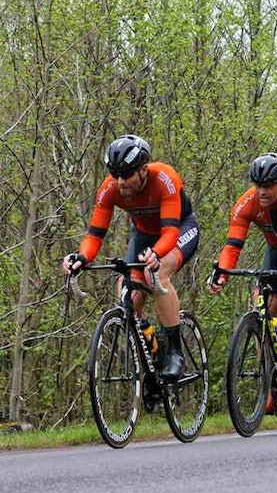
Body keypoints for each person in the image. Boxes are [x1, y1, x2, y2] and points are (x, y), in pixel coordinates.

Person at [62, 135, 200, 380]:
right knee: (127, 292)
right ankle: (149, 353)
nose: (120, 181)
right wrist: (81, 257)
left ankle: (176, 352)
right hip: (144, 235)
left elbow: (169, 233)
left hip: (179, 230)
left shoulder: (164, 179)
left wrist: (156, 254)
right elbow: (95, 234)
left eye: (126, 175)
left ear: (143, 170)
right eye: (115, 175)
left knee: (156, 274)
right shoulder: (109, 189)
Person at [208, 153, 277, 361]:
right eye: (258, 186)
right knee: (264, 306)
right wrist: (222, 274)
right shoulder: (247, 203)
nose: (262, 192)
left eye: (268, 186)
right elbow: (233, 245)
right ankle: (271, 370)